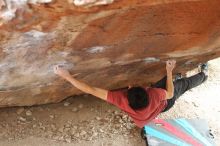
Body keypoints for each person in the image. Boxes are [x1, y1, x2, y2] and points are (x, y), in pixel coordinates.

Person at [53, 60, 208, 128]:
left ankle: (176, 77)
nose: (129, 86)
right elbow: (169, 93)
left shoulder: (120, 100)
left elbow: (90, 90)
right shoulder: (155, 94)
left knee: (167, 82)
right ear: (147, 91)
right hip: (166, 103)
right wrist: (169, 71)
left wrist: (66, 76)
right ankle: (204, 76)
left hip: (144, 116)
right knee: (182, 85)